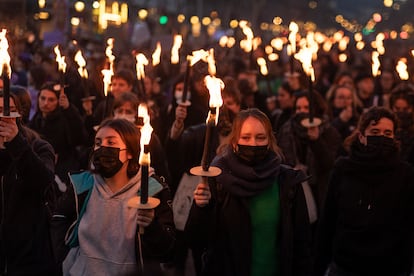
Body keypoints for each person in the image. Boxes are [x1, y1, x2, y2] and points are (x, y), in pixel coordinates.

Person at [186, 108, 314, 276]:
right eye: (246, 137)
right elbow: (196, 240)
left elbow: (302, 244)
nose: (253, 143)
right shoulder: (218, 180)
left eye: (260, 137)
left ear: (269, 141)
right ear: (234, 141)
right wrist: (201, 207)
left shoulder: (288, 181)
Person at [51, 118, 175, 275]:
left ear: (130, 152)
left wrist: (151, 226)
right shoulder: (82, 184)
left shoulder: (153, 189)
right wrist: (64, 256)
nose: (102, 148)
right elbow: (60, 217)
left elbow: (168, 248)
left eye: (111, 143)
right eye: (98, 142)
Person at [314, 106, 414, 275]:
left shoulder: (404, 174)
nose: (381, 137)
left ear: (394, 137)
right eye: (374, 132)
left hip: (389, 267)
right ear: (361, 136)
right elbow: (328, 220)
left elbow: (408, 226)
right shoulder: (343, 169)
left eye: (387, 133)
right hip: (346, 266)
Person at [0, 90, 58, 274]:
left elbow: (43, 181)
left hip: (29, 255)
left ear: (18, 114)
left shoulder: (38, 147)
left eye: (6, 110)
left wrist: (16, 143)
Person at [29, 81, 87, 184]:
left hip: (62, 169)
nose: (46, 103)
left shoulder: (65, 120)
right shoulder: (35, 119)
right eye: (43, 98)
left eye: (51, 100)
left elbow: (78, 138)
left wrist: (69, 109)